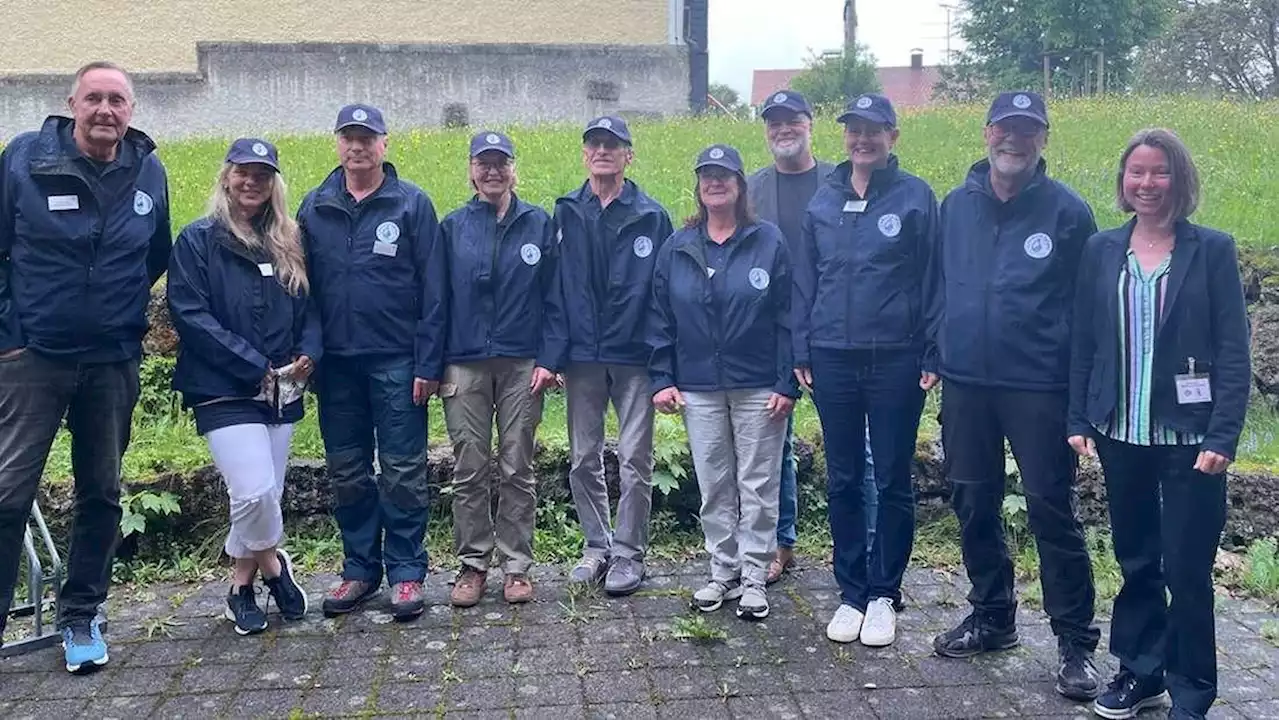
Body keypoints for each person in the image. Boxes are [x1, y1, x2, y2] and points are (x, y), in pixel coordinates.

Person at [1068, 129, 1250, 720]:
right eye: (1137, 173)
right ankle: (1141, 673)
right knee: (1137, 561)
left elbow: (1233, 350)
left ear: (1180, 179)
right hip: (1122, 435)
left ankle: (1193, 690)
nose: (1147, 184)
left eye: (1160, 172)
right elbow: (1086, 343)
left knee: (1187, 569)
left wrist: (1223, 434)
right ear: (1124, 181)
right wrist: (1079, 417)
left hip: (1191, 442)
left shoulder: (1211, 251)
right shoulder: (1101, 250)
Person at [930, 91, 1103, 701]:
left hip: (1040, 387)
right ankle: (993, 617)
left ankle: (1076, 643)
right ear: (987, 133)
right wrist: (937, 351)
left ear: (1043, 140)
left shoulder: (1068, 213)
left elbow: (1090, 313)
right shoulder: (955, 206)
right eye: (1006, 128)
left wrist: (1082, 397)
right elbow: (935, 287)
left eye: (1028, 131)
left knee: (1050, 509)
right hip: (967, 384)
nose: (1015, 139)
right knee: (973, 502)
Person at [0, 61, 172, 673]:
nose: (106, 110)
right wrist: (9, 334)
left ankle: (81, 616)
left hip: (110, 360)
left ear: (132, 110)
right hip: (33, 359)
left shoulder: (147, 168)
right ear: (72, 102)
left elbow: (156, 252)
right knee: (8, 492)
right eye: (94, 98)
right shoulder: (25, 160)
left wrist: (118, 314)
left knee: (101, 491)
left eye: (117, 100)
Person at [792, 94, 938, 647]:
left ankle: (884, 593)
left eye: (874, 130)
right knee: (845, 476)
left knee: (893, 476)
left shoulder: (916, 197)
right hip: (832, 355)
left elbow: (933, 281)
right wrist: (801, 347)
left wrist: (932, 349)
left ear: (892, 137)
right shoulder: (823, 200)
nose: (863, 139)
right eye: (854, 130)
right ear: (844, 137)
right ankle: (851, 590)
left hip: (897, 358)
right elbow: (806, 281)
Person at [298, 104, 446, 621]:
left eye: (368, 138)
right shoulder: (314, 207)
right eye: (349, 138)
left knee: (403, 469)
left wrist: (429, 362)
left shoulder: (411, 205)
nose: (357, 146)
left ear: (385, 144)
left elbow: (435, 291)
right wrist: (309, 353)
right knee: (347, 471)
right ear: (337, 143)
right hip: (336, 366)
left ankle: (406, 572)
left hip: (398, 362)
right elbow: (304, 292)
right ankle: (360, 568)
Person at [167, 138, 316, 635]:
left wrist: (308, 352)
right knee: (252, 490)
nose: (251, 182)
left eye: (263, 174)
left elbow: (313, 307)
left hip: (281, 389)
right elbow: (190, 315)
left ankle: (239, 585)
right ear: (226, 177)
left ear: (275, 183)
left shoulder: (290, 239)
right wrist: (252, 364)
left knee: (265, 494)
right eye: (243, 173)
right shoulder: (196, 240)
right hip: (223, 388)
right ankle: (274, 566)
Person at [649, 144, 796, 620]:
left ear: (739, 185)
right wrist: (662, 378)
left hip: (758, 385)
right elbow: (660, 318)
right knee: (714, 482)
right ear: (698, 185)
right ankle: (722, 572)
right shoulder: (678, 245)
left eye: (724, 175)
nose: (715, 183)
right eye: (707, 175)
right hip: (698, 385)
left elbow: (787, 316)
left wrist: (785, 382)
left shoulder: (767, 241)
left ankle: (755, 576)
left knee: (757, 482)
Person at [746, 90, 878, 586]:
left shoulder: (840, 181)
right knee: (773, 444)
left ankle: (866, 546)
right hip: (767, 333)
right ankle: (781, 543)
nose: (783, 129)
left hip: (832, 332)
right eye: (774, 122)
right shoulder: (753, 189)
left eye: (792, 120)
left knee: (855, 447)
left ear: (810, 124)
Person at [439, 131, 566, 607]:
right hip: (464, 364)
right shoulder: (451, 227)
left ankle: (517, 566)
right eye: (484, 163)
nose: (493, 172)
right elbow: (437, 300)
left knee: (517, 466)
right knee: (469, 466)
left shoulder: (539, 223)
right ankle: (473, 565)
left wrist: (551, 359)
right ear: (471, 170)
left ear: (515, 168)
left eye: (502, 163)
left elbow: (555, 297)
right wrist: (432, 364)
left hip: (522, 363)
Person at [556, 115, 674, 596]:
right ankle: (595, 545)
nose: (602, 151)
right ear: (585, 154)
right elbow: (554, 290)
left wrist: (662, 359)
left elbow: (664, 294)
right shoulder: (565, 212)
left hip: (634, 357)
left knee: (634, 459)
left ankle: (628, 553)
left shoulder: (652, 215)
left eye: (613, 144)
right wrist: (556, 352)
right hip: (582, 357)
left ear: (629, 154)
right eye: (594, 144)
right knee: (583, 457)